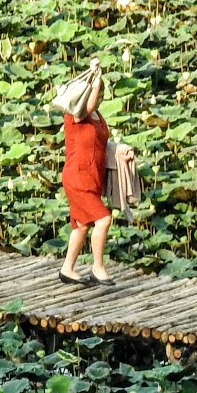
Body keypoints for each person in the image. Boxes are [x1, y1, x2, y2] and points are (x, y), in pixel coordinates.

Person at [59, 58, 127, 285]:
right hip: (78, 177)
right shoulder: (75, 114)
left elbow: (102, 143)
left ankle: (67, 268)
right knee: (104, 219)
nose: (97, 100)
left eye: (100, 96)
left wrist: (122, 151)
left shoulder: (98, 117)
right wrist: (95, 77)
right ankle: (98, 267)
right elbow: (84, 109)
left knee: (82, 224)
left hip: (93, 177)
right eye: (95, 95)